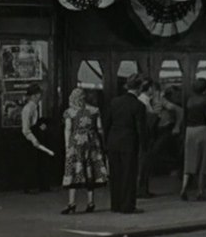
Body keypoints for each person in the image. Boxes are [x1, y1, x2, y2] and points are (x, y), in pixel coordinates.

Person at [103, 74, 147, 213]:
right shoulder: (139, 105)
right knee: (129, 174)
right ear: (139, 88)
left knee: (115, 174)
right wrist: (144, 146)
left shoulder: (114, 102)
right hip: (129, 142)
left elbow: (107, 123)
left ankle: (115, 205)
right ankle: (127, 206)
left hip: (113, 141)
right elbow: (141, 128)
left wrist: (106, 142)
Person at [61, 88, 108, 214]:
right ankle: (91, 202)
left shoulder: (70, 112)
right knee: (90, 171)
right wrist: (100, 142)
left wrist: (67, 146)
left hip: (75, 144)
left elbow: (68, 129)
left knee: (73, 171)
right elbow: (100, 128)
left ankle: (71, 203)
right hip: (91, 142)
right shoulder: (94, 110)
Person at [179, 78, 206, 201]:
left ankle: (184, 188)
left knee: (189, 160)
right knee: (203, 161)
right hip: (202, 130)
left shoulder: (189, 100)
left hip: (190, 131)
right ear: (205, 88)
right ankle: (200, 191)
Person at [21, 84, 52, 194]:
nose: (40, 96)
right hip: (30, 138)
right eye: (38, 94)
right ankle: (28, 186)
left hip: (36, 135)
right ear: (33, 96)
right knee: (30, 162)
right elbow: (26, 128)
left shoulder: (35, 107)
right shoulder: (28, 109)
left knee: (38, 161)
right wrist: (34, 140)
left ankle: (41, 185)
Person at [136, 79, 160, 198]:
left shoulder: (146, 101)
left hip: (147, 135)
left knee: (145, 163)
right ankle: (141, 189)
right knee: (143, 163)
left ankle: (144, 188)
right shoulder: (143, 102)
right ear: (149, 89)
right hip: (145, 136)